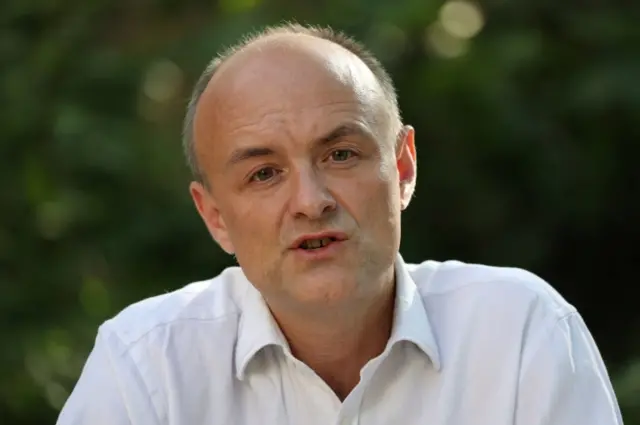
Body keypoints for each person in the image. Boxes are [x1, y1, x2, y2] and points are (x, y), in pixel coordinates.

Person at [56, 23, 623, 425]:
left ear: (402, 167)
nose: (311, 201)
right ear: (216, 218)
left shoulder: (520, 333)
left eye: (341, 155)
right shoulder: (145, 369)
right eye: (263, 174)